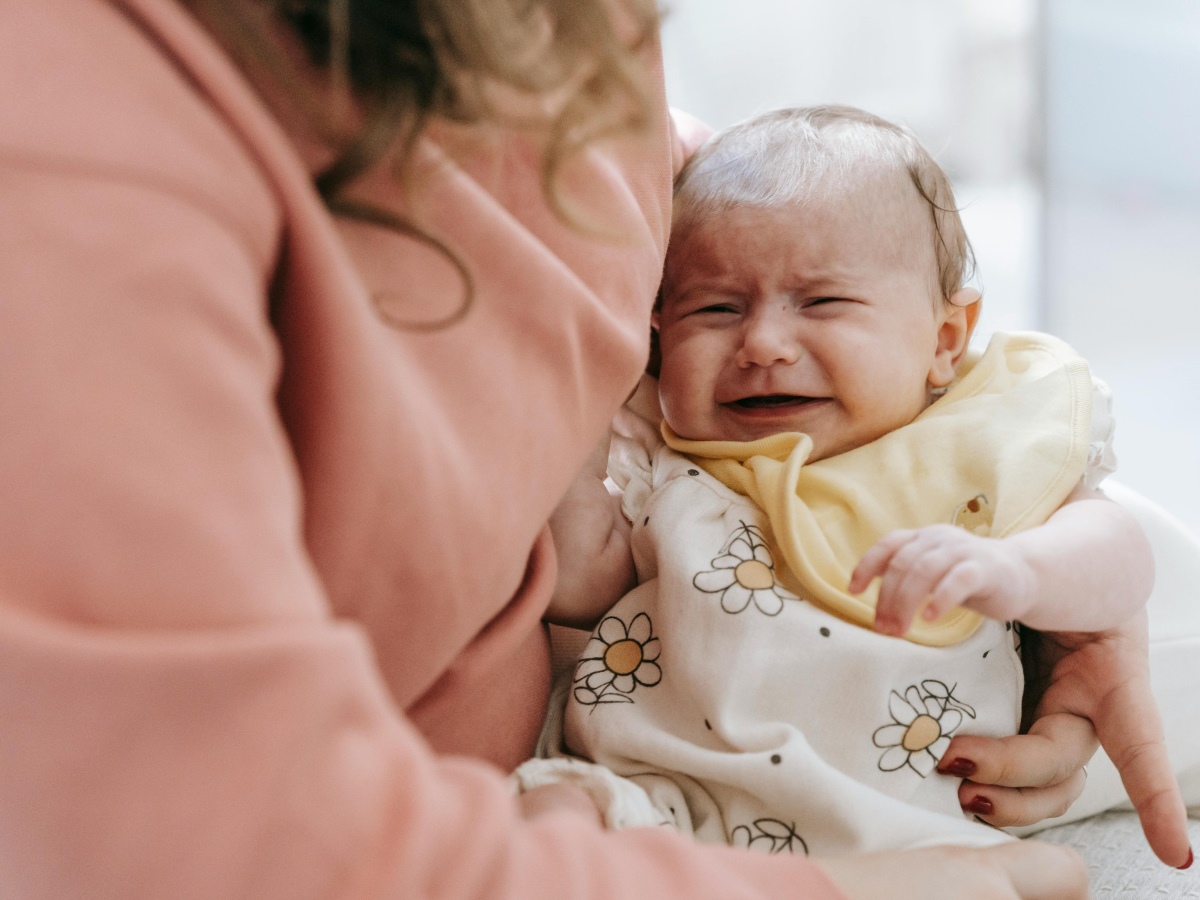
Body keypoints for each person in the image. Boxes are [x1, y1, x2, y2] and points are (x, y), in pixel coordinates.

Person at [0, 3, 1186, 900]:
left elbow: (722, 202)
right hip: (580, 803)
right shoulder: (76, 151)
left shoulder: (559, 42)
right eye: (714, 313)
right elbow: (227, 836)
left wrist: (1056, 581)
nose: (764, 345)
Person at [543, 105, 1191, 859]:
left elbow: (1118, 554)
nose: (762, 343)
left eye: (821, 302)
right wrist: (580, 399)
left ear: (945, 340)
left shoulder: (973, 444)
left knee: (1020, 876)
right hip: (666, 803)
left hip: (913, 823)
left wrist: (1018, 571)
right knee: (547, 821)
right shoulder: (670, 461)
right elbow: (575, 580)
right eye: (714, 310)